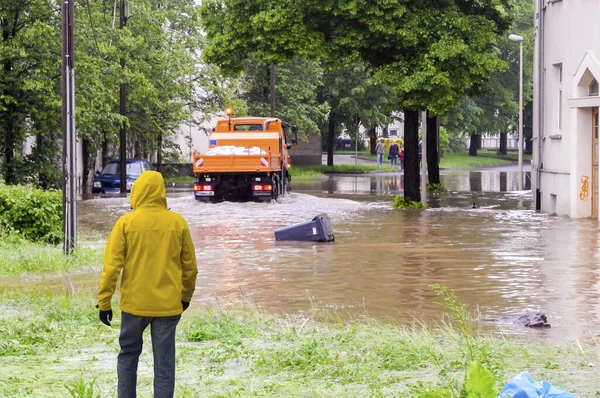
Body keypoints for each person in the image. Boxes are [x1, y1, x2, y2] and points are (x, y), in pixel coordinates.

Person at [97, 170, 198, 398]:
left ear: (138, 192)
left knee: (128, 356)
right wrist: (185, 297)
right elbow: (190, 267)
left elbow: (112, 267)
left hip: (134, 305)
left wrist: (104, 302)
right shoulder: (178, 222)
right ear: (162, 193)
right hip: (168, 306)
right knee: (164, 364)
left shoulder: (125, 223)